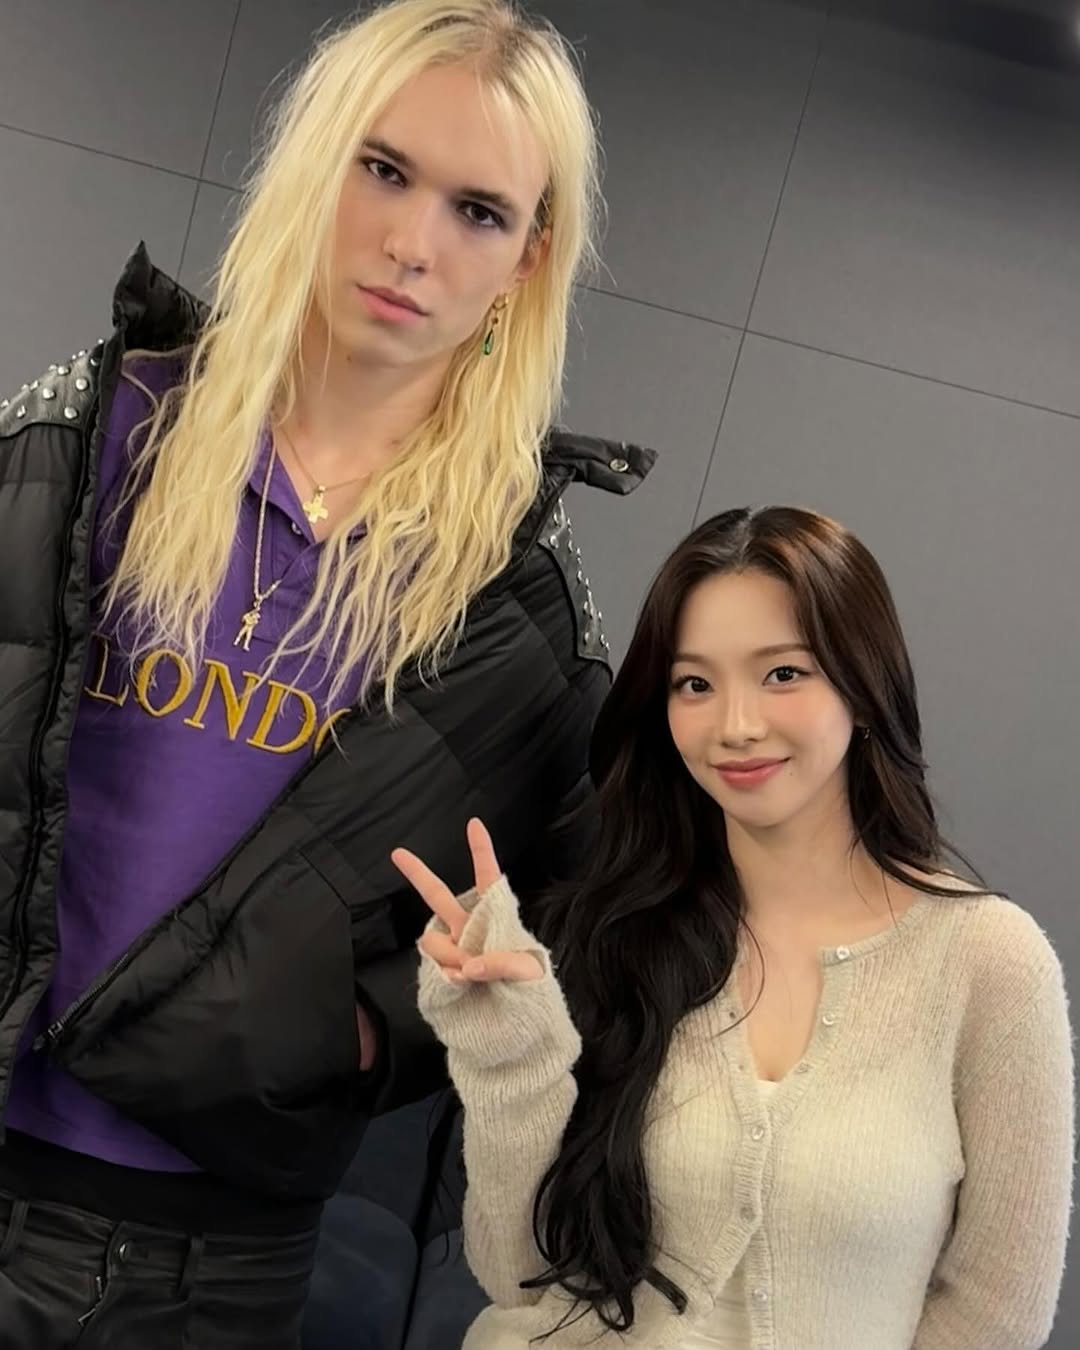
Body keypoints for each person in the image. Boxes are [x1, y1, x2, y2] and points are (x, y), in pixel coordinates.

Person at [0, 1, 653, 1345]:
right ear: (317, 157)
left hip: (212, 1262)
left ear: (529, 256)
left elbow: (591, 918)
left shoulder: (515, 595)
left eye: (479, 211)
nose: (414, 243)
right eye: (385, 169)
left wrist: (364, 1035)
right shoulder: (93, 430)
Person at [397, 505, 1075, 1350]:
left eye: (783, 673)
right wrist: (508, 1056)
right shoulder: (609, 925)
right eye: (695, 684)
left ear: (864, 685)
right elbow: (518, 1273)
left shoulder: (991, 963)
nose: (736, 726)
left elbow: (997, 1316)